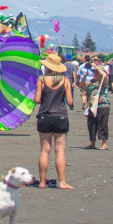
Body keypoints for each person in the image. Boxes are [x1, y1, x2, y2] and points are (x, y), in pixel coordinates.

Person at [34, 53, 74, 189]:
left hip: (44, 115)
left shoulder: (41, 80)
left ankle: (42, 182)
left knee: (45, 150)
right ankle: (62, 182)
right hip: (60, 116)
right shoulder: (65, 81)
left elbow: (37, 100)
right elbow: (70, 101)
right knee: (60, 150)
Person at [80, 62, 109, 150]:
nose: (95, 73)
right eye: (94, 72)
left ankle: (104, 143)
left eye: (96, 72)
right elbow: (83, 86)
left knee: (102, 124)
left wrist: (97, 67)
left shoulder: (103, 81)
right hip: (92, 106)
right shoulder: (92, 81)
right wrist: (84, 76)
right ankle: (92, 143)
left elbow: (105, 75)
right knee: (91, 124)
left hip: (102, 105)